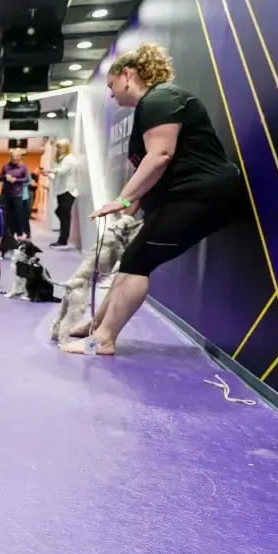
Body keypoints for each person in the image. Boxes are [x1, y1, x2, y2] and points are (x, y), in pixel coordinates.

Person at [60, 42, 244, 356]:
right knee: (132, 259)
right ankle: (96, 327)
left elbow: (160, 156)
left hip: (201, 196)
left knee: (136, 262)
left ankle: (102, 339)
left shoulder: (161, 99)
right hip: (185, 198)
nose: (111, 93)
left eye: (112, 85)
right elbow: (151, 176)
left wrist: (121, 199)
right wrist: (126, 211)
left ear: (128, 75)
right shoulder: (153, 106)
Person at [45, 139, 79, 249]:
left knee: (63, 215)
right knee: (62, 214)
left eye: (60, 147)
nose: (58, 149)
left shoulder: (69, 159)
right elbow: (59, 175)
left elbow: (63, 171)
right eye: (58, 147)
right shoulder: (62, 159)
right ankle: (62, 240)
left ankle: (63, 241)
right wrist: (49, 174)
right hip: (62, 191)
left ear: (66, 147)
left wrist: (51, 170)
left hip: (68, 191)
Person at [0, 147, 33, 240]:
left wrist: (15, 180)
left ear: (20, 157)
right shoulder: (5, 166)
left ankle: (19, 233)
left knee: (19, 214)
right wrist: (5, 177)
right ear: (10, 157)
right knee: (7, 214)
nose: (15, 158)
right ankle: (8, 233)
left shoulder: (23, 167)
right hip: (7, 194)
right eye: (13, 156)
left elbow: (27, 179)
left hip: (18, 194)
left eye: (17, 156)